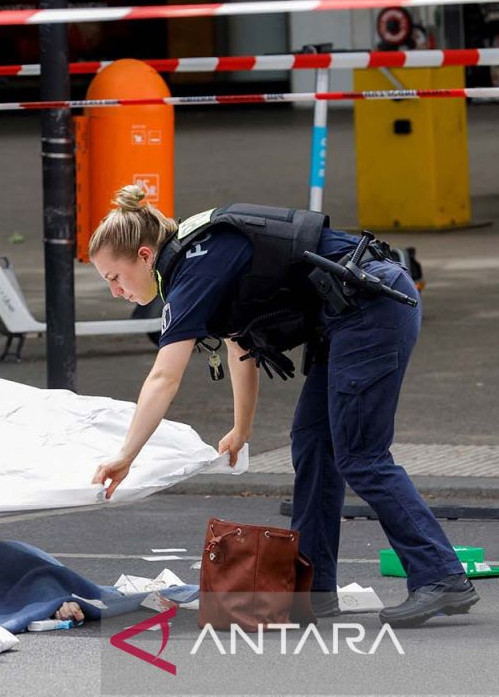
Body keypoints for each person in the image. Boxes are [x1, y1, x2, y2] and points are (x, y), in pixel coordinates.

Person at [87, 184, 479, 629]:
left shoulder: (192, 265)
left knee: (360, 455)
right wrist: (241, 427)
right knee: (313, 443)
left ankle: (440, 575)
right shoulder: (196, 256)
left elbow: (164, 377)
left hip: (373, 309)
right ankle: (312, 590)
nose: (115, 291)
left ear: (143, 255)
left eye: (113, 278)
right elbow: (240, 345)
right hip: (352, 316)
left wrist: (125, 456)